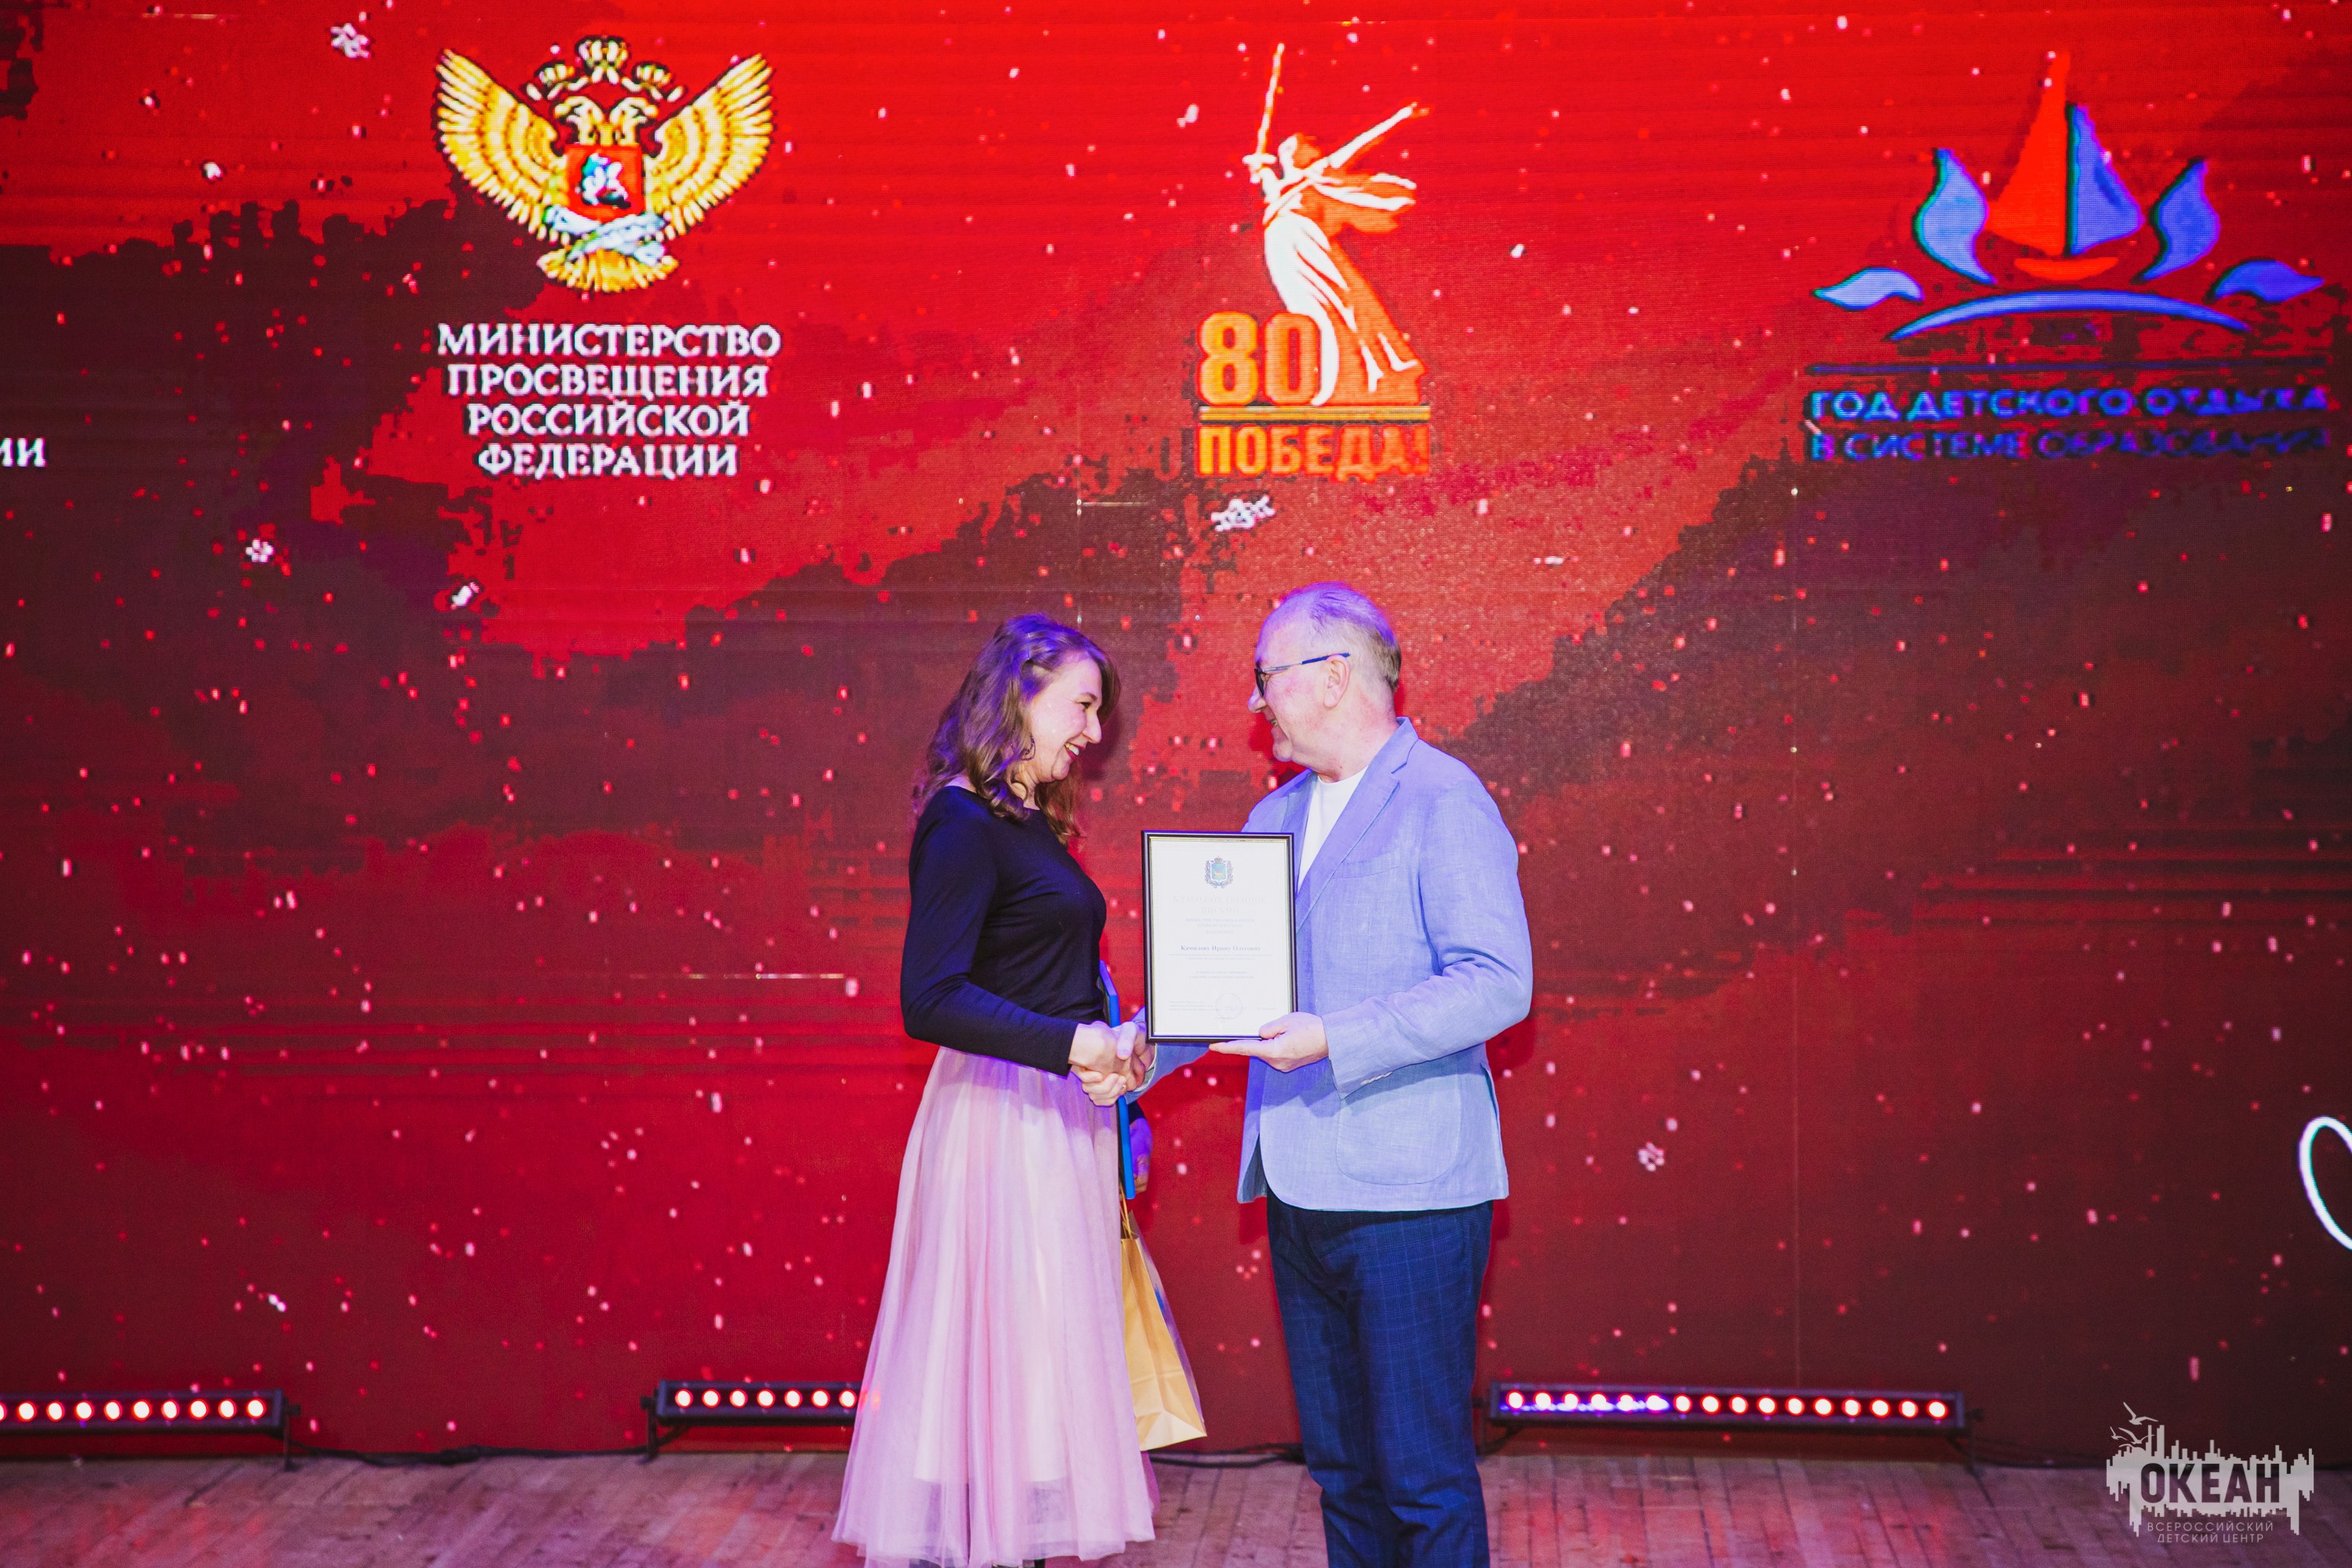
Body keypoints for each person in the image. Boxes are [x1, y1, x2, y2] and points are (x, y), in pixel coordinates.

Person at [1138, 582, 1532, 1568]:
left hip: (1412, 1198)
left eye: (1266, 676)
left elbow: (1497, 981)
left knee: (1422, 1474)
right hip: (1299, 1186)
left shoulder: (1443, 797)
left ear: (1332, 676)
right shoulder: (1274, 813)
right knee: (1344, 1472)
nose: (1256, 701)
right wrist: (1134, 1048)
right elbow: (1221, 983)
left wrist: (1335, 1038)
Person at [834, 614, 1156, 1568]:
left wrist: (1116, 1051)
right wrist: (1073, 1043)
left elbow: (1042, 975)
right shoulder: (963, 820)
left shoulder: (1025, 820)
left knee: (1036, 1387)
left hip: (1051, 1119)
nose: (1092, 732)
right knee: (1000, 1381)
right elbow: (929, 997)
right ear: (1022, 692)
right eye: (1083, 706)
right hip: (1000, 1125)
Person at [1246, 105, 1428, 407]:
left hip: (1309, 244)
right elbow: (1266, 182)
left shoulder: (1318, 173)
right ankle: (1330, 381)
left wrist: (1400, 117)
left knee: (1337, 306)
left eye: (1304, 145)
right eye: (1295, 146)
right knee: (1308, 310)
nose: (1302, 148)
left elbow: (1361, 143)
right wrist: (1259, 169)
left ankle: (1348, 381)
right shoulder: (1278, 187)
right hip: (1283, 250)